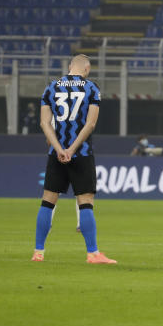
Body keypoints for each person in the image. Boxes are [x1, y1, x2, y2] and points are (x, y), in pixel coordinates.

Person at [32, 54, 116, 264]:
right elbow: (90, 124)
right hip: (82, 153)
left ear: (70, 67)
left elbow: (44, 123)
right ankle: (93, 253)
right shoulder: (91, 88)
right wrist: (71, 149)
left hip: (55, 154)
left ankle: (38, 252)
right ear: (86, 69)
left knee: (47, 202)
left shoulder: (51, 87)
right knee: (85, 203)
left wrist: (60, 149)